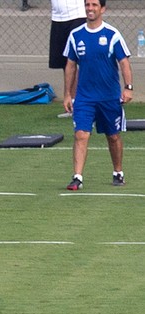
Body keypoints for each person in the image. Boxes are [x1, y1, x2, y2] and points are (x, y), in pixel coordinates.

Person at [63, 0, 133, 190]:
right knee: (81, 134)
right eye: (87, 5)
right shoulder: (75, 36)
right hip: (85, 98)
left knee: (113, 137)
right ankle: (77, 177)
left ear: (102, 9)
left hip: (109, 97)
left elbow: (124, 62)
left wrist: (128, 87)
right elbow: (70, 65)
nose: (90, 8)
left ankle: (118, 171)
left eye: (94, 5)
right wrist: (68, 94)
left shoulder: (112, 34)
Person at [49, 0, 86, 117]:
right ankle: (72, 104)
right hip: (57, 18)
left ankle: (85, 104)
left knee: (80, 62)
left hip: (77, 16)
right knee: (66, 63)